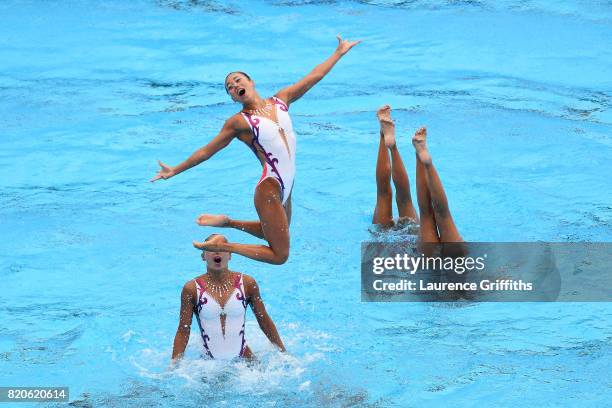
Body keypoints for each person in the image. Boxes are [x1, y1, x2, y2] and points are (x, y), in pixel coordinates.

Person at [152, 36, 361, 265]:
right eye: (230, 88)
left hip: (287, 186)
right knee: (280, 255)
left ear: (251, 82)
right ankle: (225, 246)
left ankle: (227, 222)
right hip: (269, 188)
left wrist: (339, 53)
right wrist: (175, 170)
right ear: (233, 98)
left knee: (271, 232)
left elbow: (314, 77)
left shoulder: (281, 100)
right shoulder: (239, 123)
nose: (235, 86)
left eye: (237, 80)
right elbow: (207, 151)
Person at [171, 234, 285, 362]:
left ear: (230, 254)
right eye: (211, 248)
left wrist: (283, 352)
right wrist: (174, 365)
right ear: (203, 256)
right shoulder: (191, 289)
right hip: (209, 364)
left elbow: (264, 320)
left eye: (222, 247)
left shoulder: (247, 283)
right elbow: (183, 330)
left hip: (244, 358)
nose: (217, 252)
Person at [372, 105, 463, 244]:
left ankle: (422, 159)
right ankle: (392, 141)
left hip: (423, 250)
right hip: (413, 252)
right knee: (388, 195)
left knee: (438, 214)